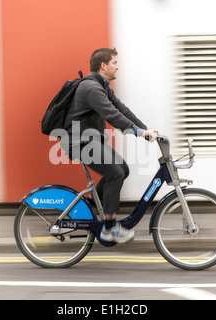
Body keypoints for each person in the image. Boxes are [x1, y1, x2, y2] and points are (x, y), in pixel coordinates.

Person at [60, 48, 157, 243]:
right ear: (103, 66)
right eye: (114, 63)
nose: (117, 66)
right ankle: (109, 228)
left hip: (90, 141)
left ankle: (92, 208)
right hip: (79, 143)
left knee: (122, 169)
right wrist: (139, 133)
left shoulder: (101, 86)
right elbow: (112, 115)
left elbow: (122, 110)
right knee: (116, 173)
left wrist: (145, 130)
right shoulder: (91, 88)